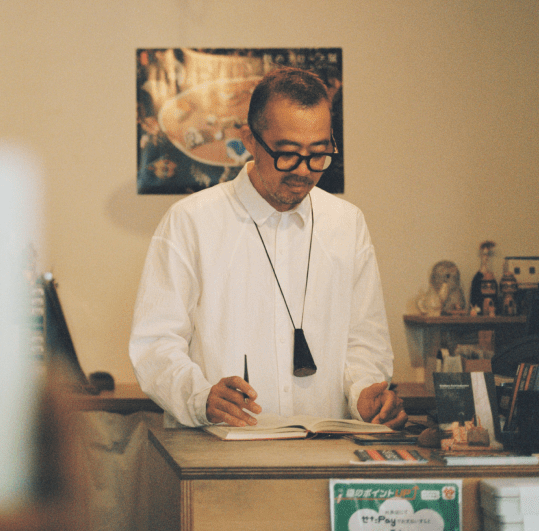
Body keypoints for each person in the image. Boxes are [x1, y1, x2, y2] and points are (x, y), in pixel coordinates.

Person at [129, 66, 406, 430]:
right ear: (250, 140)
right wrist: (201, 398)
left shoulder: (347, 224)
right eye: (287, 153)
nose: (303, 171)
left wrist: (363, 394)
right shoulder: (191, 222)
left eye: (318, 153)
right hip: (218, 451)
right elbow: (156, 344)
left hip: (324, 449)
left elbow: (366, 341)